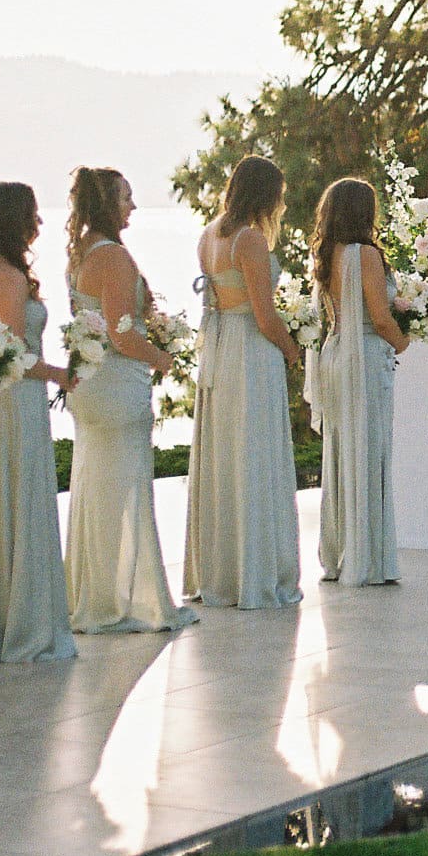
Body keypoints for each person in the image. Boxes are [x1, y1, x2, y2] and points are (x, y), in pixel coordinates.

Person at [64, 166, 198, 634]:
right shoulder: (113, 258)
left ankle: (96, 594)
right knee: (123, 490)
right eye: (126, 197)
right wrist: (164, 359)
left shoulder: (80, 253)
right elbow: (122, 334)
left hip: (91, 385)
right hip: (117, 386)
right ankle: (116, 603)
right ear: (106, 203)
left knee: (99, 490)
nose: (133, 206)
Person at [0, 182, 77, 664]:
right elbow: (11, 353)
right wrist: (58, 374)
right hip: (13, 401)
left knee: (16, 495)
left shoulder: (1, 270)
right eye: (32, 213)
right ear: (13, 218)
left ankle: (10, 612)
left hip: (19, 401)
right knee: (18, 495)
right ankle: (18, 621)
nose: (39, 222)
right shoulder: (4, 274)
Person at [185, 155, 303, 609]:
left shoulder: (210, 234)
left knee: (225, 453)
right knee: (254, 452)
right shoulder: (250, 240)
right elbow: (264, 315)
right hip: (250, 350)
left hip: (220, 346)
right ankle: (253, 572)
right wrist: (293, 349)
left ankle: (222, 570)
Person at [310, 177, 409, 586]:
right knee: (368, 451)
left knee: (341, 454)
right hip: (364, 358)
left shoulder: (326, 253)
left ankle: (340, 553)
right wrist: (402, 343)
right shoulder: (365, 255)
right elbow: (381, 317)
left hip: (334, 356)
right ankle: (367, 558)